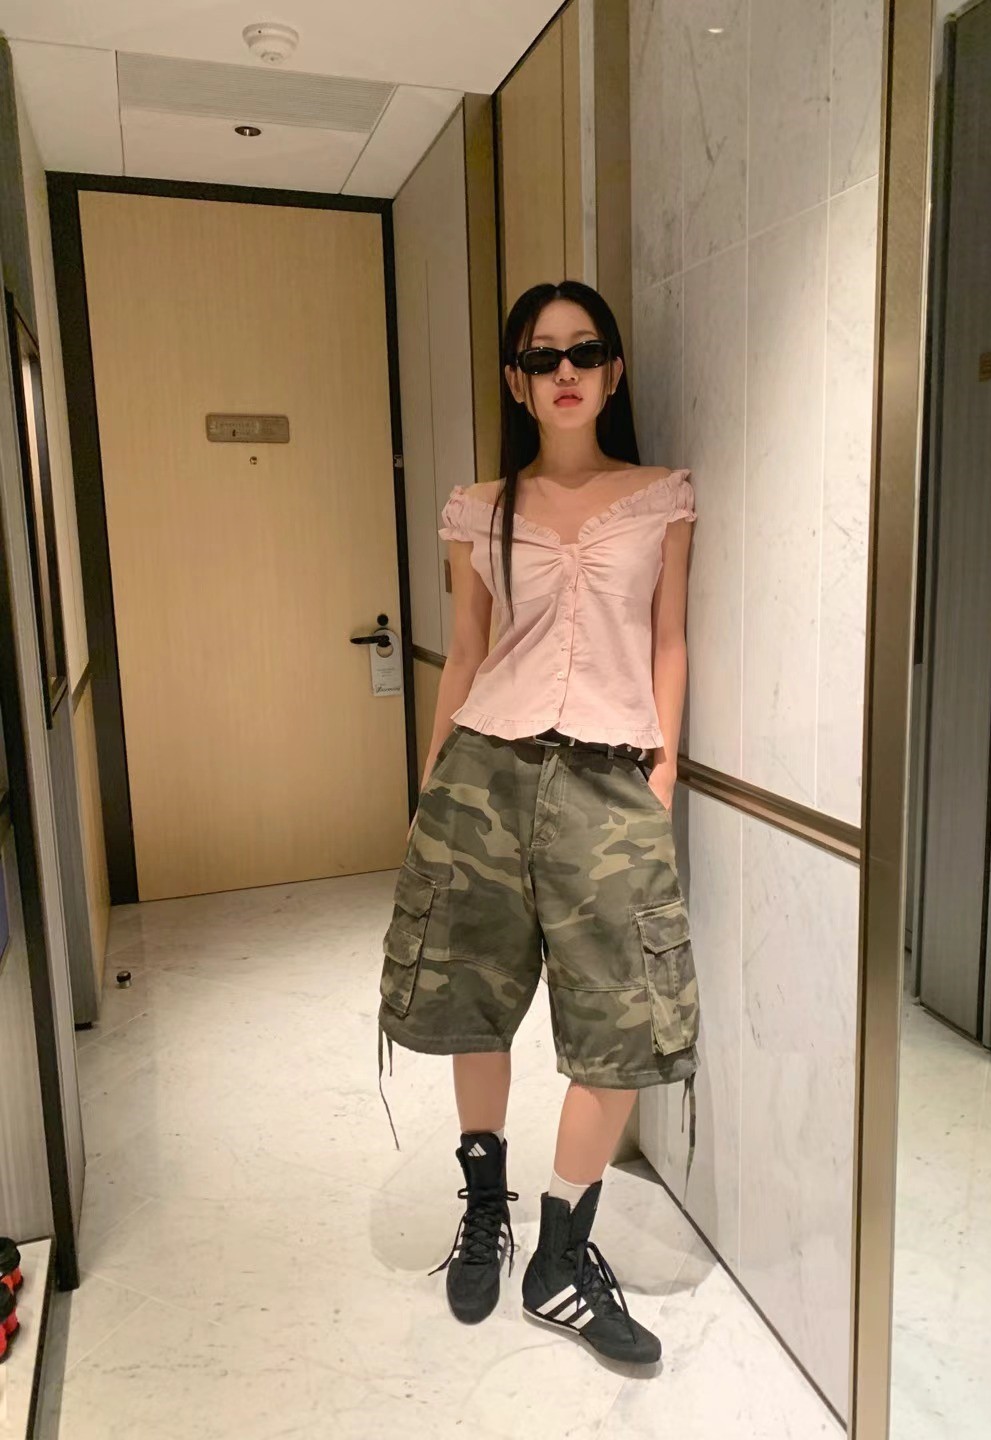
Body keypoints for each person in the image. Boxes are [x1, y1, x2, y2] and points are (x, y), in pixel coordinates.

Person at [377, 279, 700, 1367]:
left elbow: (669, 640)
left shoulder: (660, 498)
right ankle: (486, 1207)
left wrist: (663, 777)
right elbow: (469, 652)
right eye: (542, 356)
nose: (566, 372)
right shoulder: (479, 506)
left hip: (612, 782)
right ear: (516, 381)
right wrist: (431, 788)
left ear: (613, 372)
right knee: (473, 1002)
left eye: (585, 352)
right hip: (483, 774)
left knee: (623, 1022)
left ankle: (562, 1251)